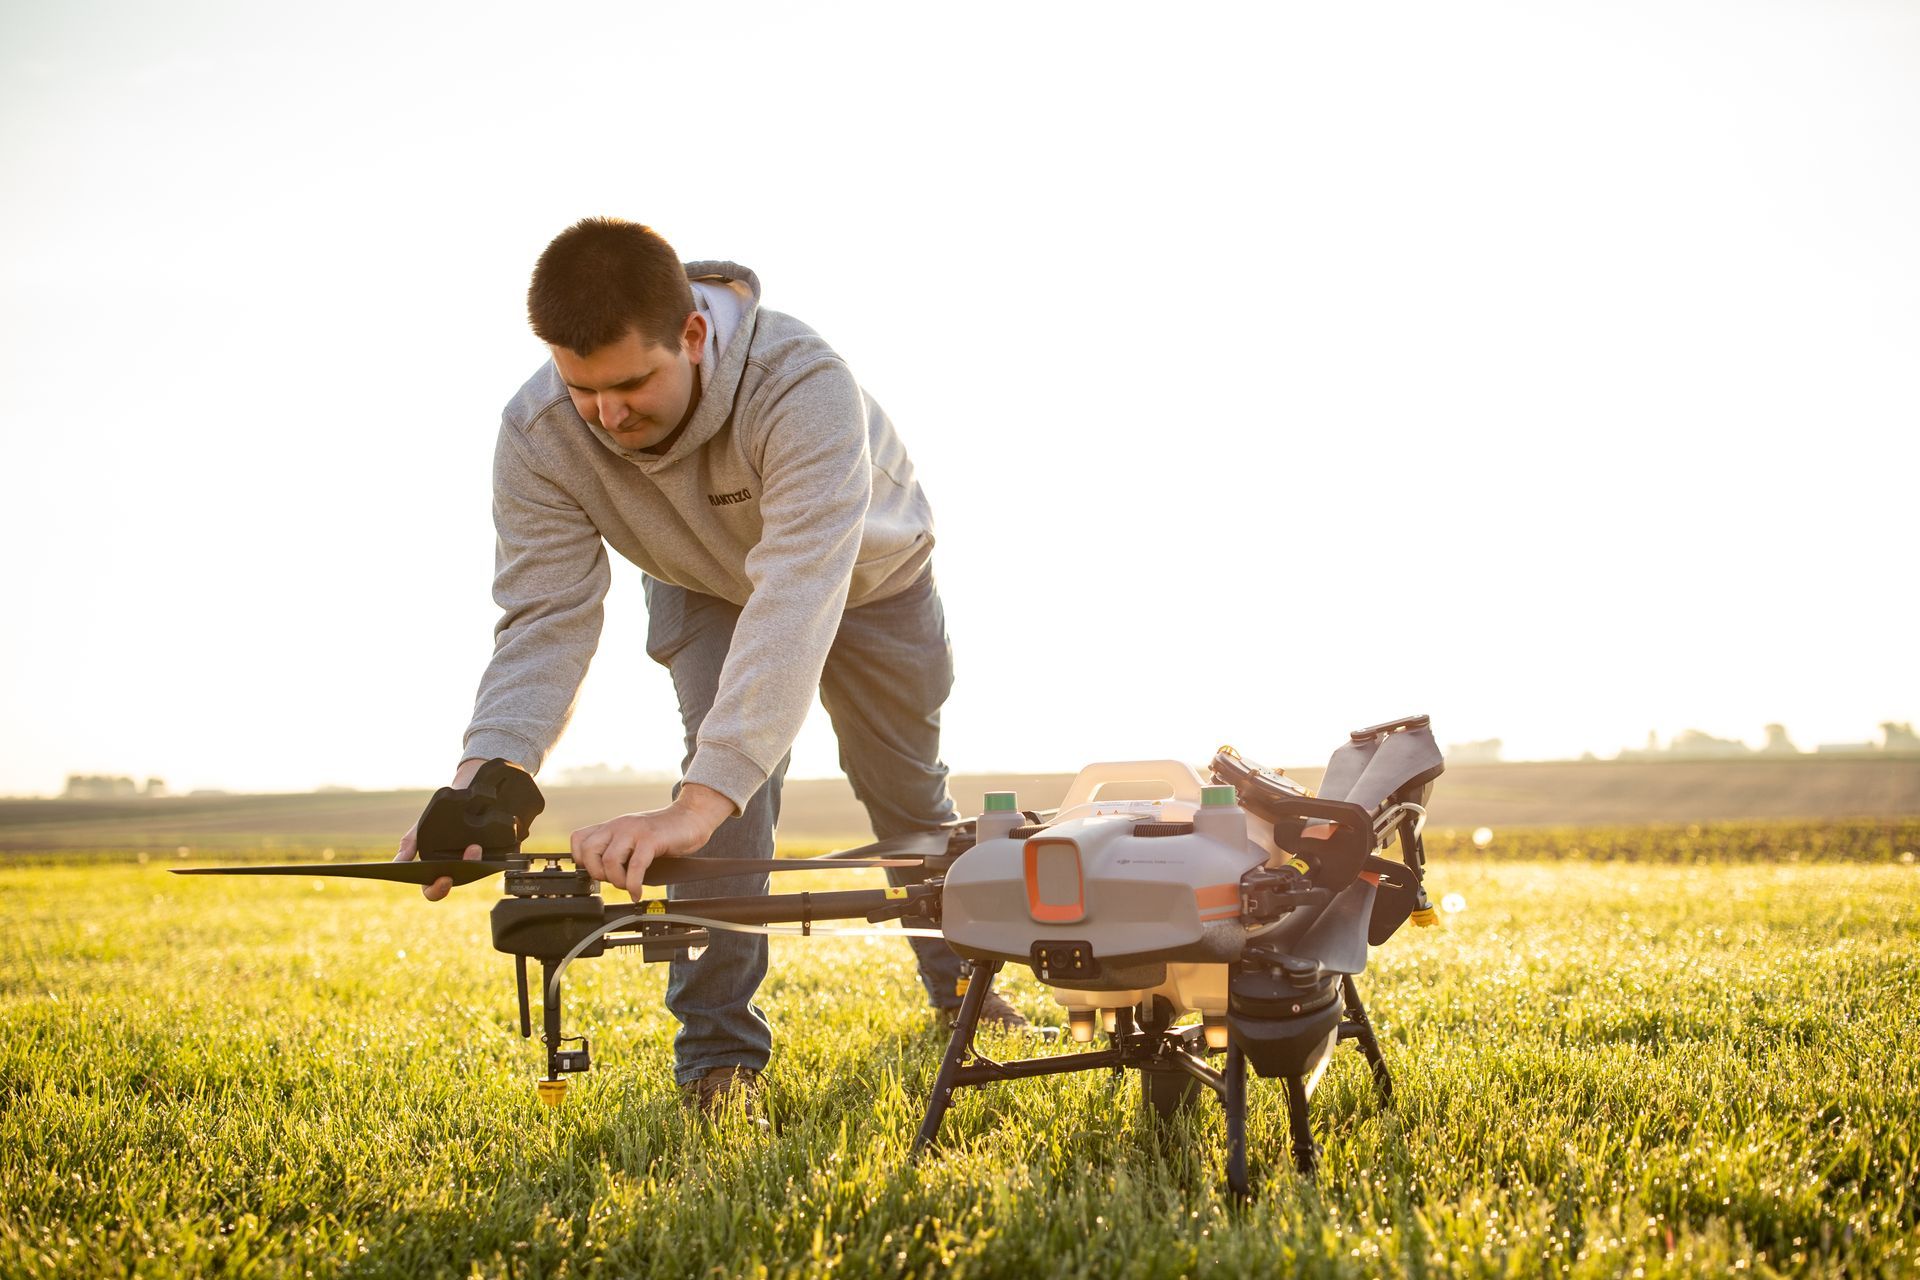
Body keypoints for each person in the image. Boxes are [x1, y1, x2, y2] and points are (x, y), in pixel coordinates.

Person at [394, 218, 1025, 1118]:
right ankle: (720, 1060)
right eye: (583, 390)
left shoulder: (800, 382)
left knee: (903, 793)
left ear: (692, 336)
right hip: (699, 580)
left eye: (630, 384)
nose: (608, 418)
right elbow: (544, 613)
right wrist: (488, 776)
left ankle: (963, 988)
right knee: (724, 796)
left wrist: (699, 800)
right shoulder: (537, 434)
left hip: (869, 574)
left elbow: (799, 591)